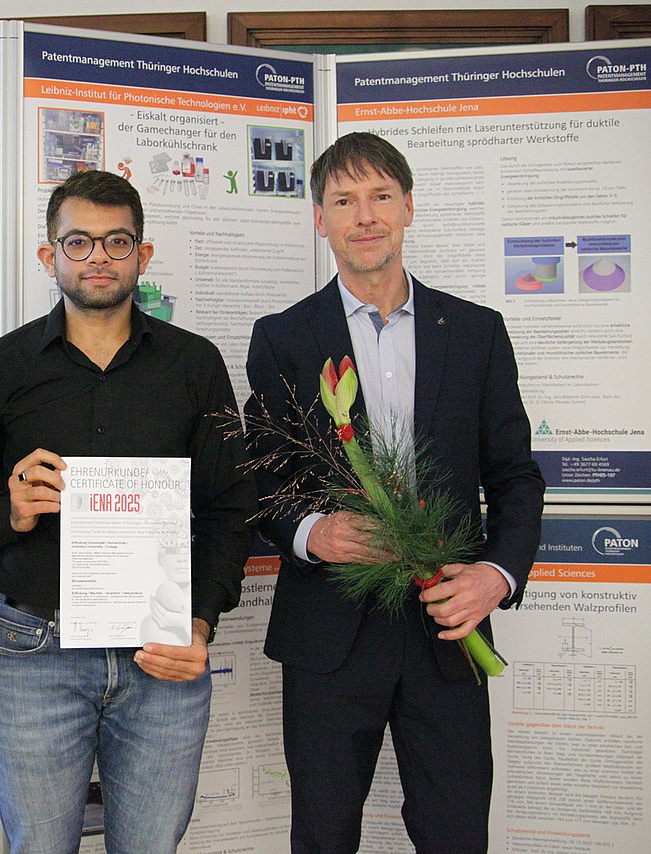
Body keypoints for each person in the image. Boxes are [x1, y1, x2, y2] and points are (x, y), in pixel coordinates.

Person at [0, 170, 255, 852]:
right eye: (79, 242)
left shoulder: (195, 366)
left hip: (163, 654)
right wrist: (11, 512)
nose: (99, 256)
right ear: (50, 256)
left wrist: (199, 624)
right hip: (34, 652)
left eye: (117, 241)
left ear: (143, 254)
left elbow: (229, 510)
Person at [244, 131, 545, 853]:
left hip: (448, 630)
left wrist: (495, 578)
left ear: (408, 207)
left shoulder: (475, 332)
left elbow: (514, 476)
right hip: (329, 635)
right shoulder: (284, 337)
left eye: (381, 195)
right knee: (322, 835)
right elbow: (261, 479)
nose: (365, 215)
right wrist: (314, 532)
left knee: (455, 833)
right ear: (321, 219)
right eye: (344, 200)